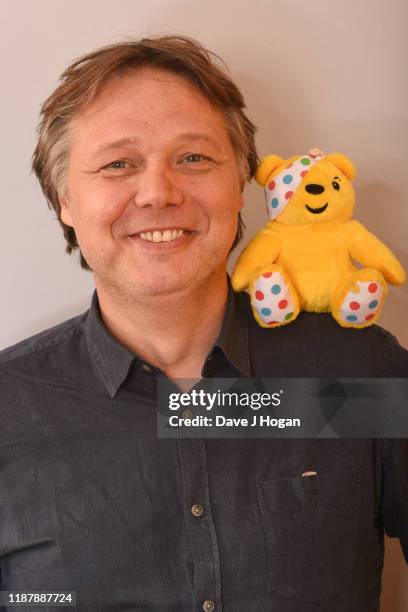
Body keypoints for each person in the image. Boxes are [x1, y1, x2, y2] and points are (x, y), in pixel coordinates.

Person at [0, 35, 407, 612]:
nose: (159, 193)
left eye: (193, 158)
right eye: (118, 164)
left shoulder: (364, 374)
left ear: (242, 182)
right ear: (63, 198)